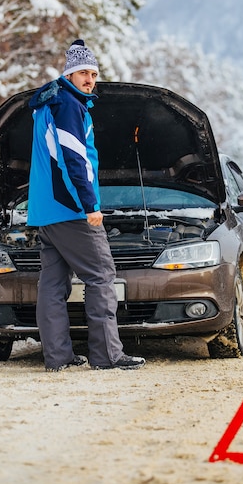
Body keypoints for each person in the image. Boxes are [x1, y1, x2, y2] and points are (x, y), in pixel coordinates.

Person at [27, 39, 145, 372]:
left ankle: (59, 357)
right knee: (101, 274)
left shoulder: (49, 102)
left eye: (93, 73)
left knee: (53, 284)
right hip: (70, 208)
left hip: (45, 211)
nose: (89, 79)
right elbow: (73, 159)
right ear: (70, 74)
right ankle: (107, 355)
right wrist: (89, 204)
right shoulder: (68, 105)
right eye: (83, 72)